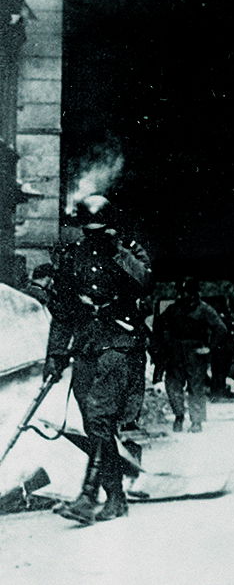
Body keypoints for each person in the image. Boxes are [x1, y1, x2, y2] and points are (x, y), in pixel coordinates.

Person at [44, 195, 152, 525]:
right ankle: (116, 498)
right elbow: (62, 311)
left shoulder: (129, 252)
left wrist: (118, 249)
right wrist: (56, 354)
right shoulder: (72, 257)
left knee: (100, 415)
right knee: (93, 426)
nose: (94, 236)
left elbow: (144, 282)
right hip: (88, 345)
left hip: (121, 343)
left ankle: (88, 496)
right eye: (89, 231)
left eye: (100, 230)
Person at [153, 278, 228, 433]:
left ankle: (196, 421)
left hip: (195, 352)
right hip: (175, 352)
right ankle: (179, 415)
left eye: (187, 292)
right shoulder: (173, 309)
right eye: (181, 292)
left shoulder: (204, 309)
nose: (183, 296)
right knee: (173, 385)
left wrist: (209, 347)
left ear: (194, 293)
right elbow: (159, 325)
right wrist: (163, 345)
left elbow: (220, 328)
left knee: (196, 387)